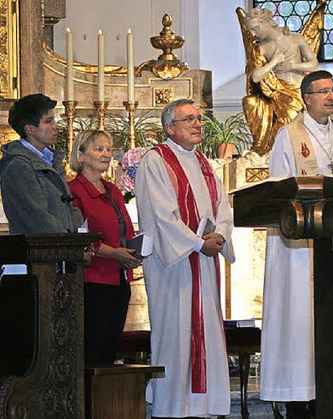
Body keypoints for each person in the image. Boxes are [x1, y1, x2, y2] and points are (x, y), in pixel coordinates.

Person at [260, 70, 333, 419]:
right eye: (323, 92)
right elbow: (278, 190)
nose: (331, 97)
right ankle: (299, 395)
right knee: (301, 318)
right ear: (306, 98)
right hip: (301, 250)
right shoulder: (288, 137)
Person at [135, 99, 235, 418]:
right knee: (175, 333)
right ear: (170, 128)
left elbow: (222, 207)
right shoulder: (156, 160)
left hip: (203, 262)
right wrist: (195, 244)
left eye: (198, 119)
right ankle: (172, 406)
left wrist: (219, 235)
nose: (197, 124)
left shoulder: (204, 162)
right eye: (188, 119)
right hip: (174, 266)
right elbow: (160, 215)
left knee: (205, 331)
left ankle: (204, 405)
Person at [68, 130, 141, 367]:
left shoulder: (113, 190)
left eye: (109, 149)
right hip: (93, 278)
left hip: (119, 277)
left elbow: (126, 229)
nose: (106, 154)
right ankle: (88, 402)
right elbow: (79, 236)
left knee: (110, 347)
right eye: (98, 149)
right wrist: (114, 253)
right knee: (93, 348)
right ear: (80, 155)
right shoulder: (74, 190)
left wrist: (135, 250)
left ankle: (102, 401)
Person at [240, 7, 320, 155]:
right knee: (285, 130)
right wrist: (273, 62)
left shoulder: (296, 39)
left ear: (267, 22)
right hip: (278, 94)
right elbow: (256, 76)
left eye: (256, 28)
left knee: (298, 130)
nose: (253, 34)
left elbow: (314, 65)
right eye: (250, 30)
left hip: (298, 91)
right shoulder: (261, 48)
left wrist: (293, 66)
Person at [0, 93, 82, 234]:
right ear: (30, 129)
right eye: (49, 121)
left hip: (63, 249)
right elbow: (36, 216)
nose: (56, 126)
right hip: (39, 251)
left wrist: (81, 239)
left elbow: (68, 207)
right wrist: (69, 244)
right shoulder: (18, 166)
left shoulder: (51, 159)